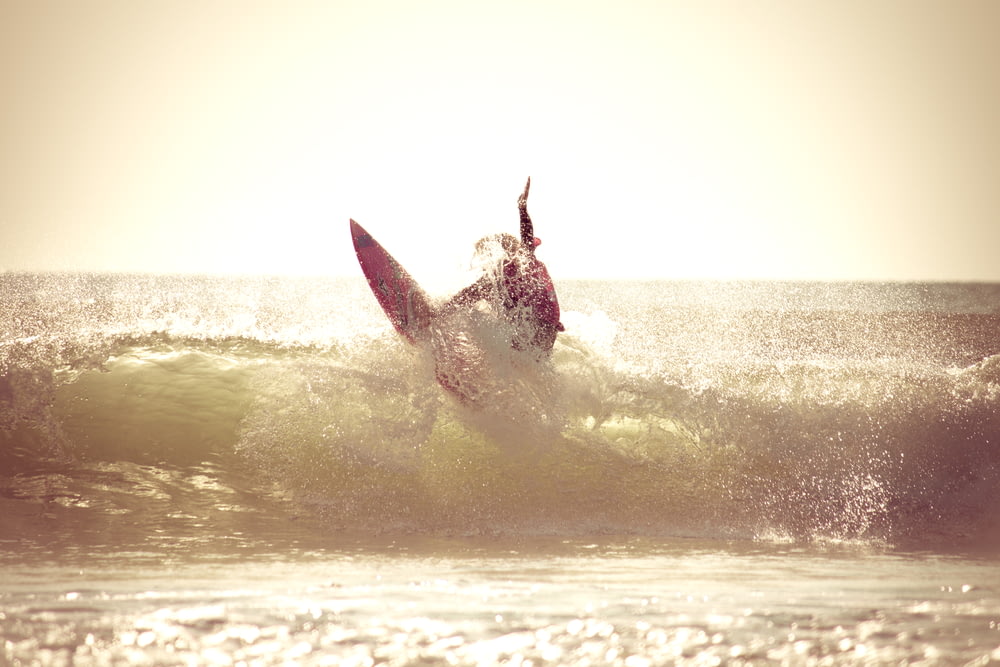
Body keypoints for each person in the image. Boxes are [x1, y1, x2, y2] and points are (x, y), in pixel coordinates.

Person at [438, 177, 564, 353]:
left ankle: (438, 314)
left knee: (478, 297)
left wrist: (522, 209)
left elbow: (527, 238)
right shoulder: (517, 269)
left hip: (540, 326)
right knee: (484, 299)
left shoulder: (518, 263)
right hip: (547, 328)